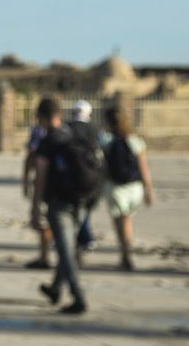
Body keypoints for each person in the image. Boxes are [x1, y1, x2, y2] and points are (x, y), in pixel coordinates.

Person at [31, 96, 102, 315]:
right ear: (59, 114)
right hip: (83, 199)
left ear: (41, 118)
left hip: (59, 202)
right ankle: (55, 288)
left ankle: (78, 297)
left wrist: (35, 206)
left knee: (66, 251)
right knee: (67, 247)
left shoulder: (49, 141)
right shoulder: (75, 134)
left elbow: (40, 176)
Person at [101, 105, 154, 271]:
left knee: (121, 223)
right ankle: (126, 253)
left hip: (115, 187)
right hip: (135, 188)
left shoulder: (106, 140)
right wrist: (148, 190)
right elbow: (143, 168)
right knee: (127, 220)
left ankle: (126, 255)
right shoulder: (134, 140)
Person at [21, 117, 54, 269]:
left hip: (44, 182)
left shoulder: (38, 131)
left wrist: (26, 179)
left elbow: (31, 155)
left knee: (42, 221)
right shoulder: (66, 130)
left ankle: (45, 256)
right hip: (64, 185)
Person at [69, 100, 100, 260]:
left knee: (74, 212)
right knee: (85, 210)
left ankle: (83, 239)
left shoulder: (67, 128)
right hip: (92, 178)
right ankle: (85, 239)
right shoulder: (95, 130)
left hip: (70, 178)